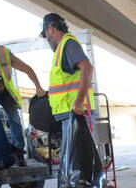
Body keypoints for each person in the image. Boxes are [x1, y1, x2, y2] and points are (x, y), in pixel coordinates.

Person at [41, 13, 95, 143]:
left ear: (51, 28)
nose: (47, 38)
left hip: (75, 112)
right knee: (74, 157)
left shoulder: (68, 44)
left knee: (80, 158)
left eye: (46, 34)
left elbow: (87, 68)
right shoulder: (62, 48)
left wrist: (79, 101)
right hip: (69, 113)